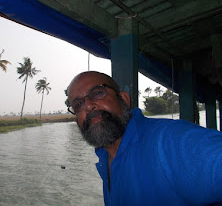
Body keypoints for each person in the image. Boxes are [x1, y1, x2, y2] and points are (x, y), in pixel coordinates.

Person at [67, 71, 222, 205]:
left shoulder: (168, 140)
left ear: (124, 99)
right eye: (78, 104)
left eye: (97, 93)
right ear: (77, 120)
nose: (88, 106)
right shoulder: (104, 155)